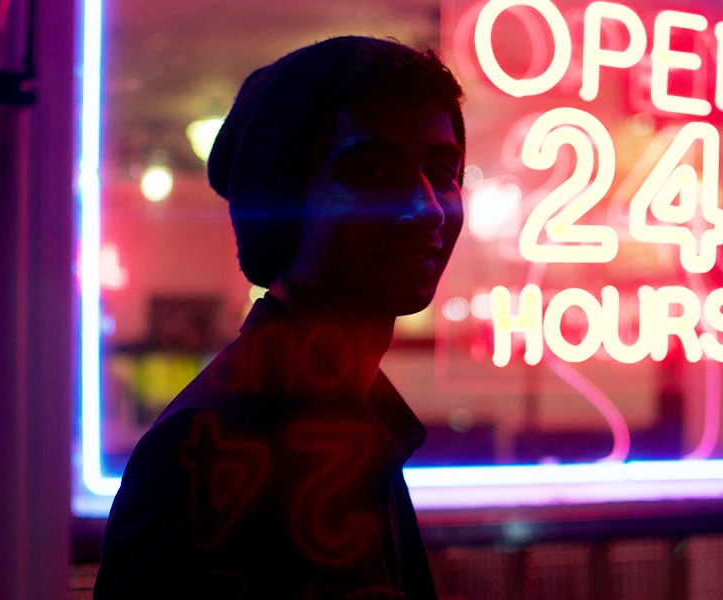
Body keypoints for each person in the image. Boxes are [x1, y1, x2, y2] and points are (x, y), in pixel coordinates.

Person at [94, 36, 465, 599]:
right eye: (372, 173)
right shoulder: (206, 448)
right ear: (284, 202)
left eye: (443, 172)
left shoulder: (356, 422)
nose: (427, 208)